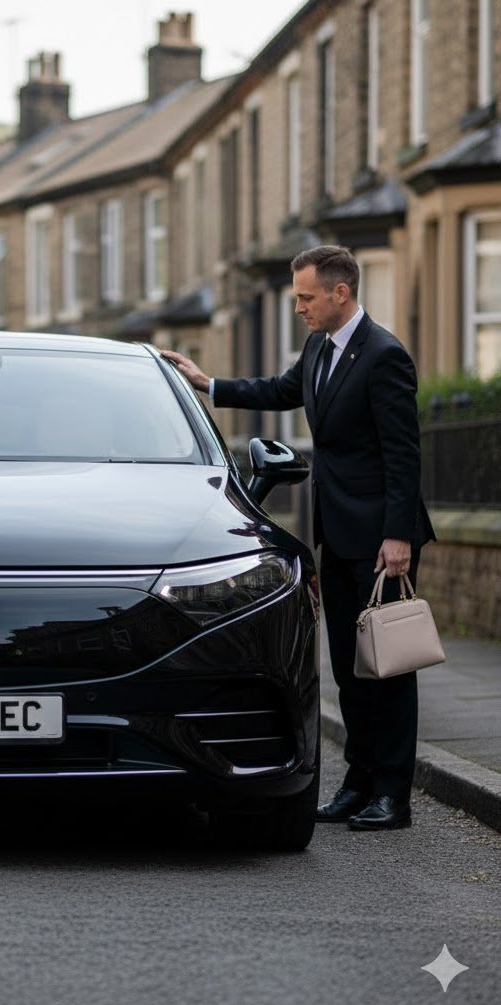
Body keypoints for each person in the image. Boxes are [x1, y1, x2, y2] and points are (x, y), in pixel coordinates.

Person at [162, 244, 435, 832]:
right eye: (297, 299)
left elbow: (403, 454)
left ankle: (393, 794)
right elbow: (280, 390)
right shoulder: (319, 347)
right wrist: (208, 383)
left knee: (388, 668)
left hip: (381, 541)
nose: (300, 309)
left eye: (307, 298)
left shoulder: (385, 356)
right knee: (349, 664)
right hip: (335, 533)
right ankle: (357, 784)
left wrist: (398, 537)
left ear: (342, 293)